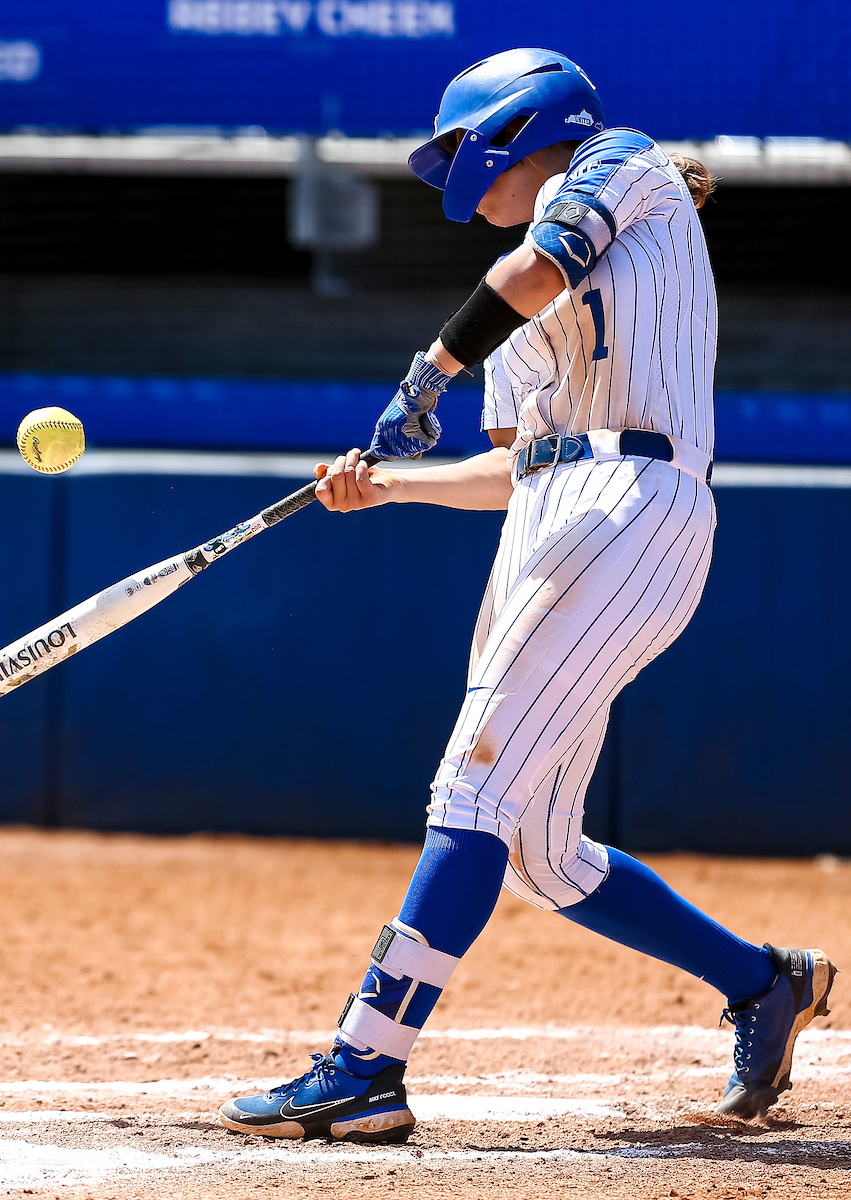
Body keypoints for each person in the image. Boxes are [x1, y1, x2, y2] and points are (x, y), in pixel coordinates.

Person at [219, 48, 836, 1144]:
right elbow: (517, 469)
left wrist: (430, 370)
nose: (457, 173)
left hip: (637, 501)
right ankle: (764, 982)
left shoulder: (621, 166)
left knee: (471, 785)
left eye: (462, 147)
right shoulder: (514, 310)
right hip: (559, 518)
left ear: (514, 125)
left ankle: (367, 1063)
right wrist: (388, 485)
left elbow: (542, 271)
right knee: (543, 848)